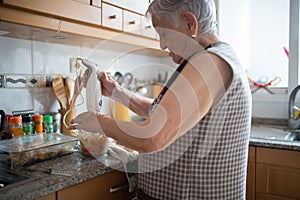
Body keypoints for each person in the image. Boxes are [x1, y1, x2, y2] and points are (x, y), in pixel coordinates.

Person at [69, 0, 252, 199]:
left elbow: (153, 136)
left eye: (163, 34)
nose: (162, 44)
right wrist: (116, 92)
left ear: (189, 23)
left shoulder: (209, 63)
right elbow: (164, 115)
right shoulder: (217, 57)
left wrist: (99, 122)